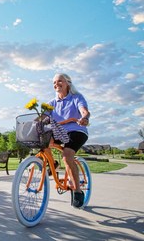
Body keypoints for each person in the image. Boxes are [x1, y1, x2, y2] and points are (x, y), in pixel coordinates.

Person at [47, 73, 90, 208]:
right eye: (54, 82)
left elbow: (84, 110)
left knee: (67, 156)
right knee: (43, 140)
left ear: (68, 83)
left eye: (60, 81)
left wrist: (84, 117)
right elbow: (42, 116)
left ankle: (77, 190)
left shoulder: (76, 97)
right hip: (59, 132)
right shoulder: (52, 103)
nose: (56, 84)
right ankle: (52, 163)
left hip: (76, 130)